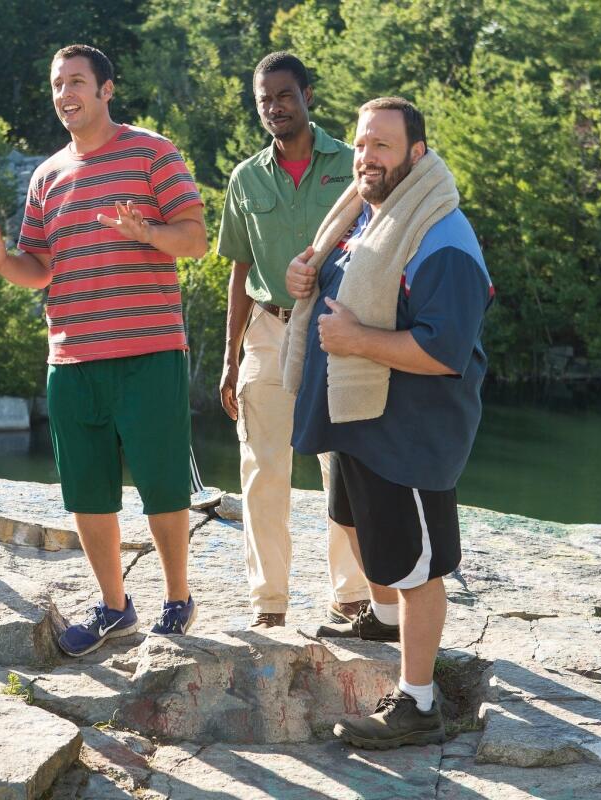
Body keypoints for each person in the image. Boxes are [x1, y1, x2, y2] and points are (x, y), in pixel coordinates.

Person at [0, 45, 207, 656]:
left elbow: (195, 239)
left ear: (106, 89)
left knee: (163, 484)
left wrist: (148, 232)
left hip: (149, 353)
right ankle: (115, 608)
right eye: (58, 84)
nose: (66, 94)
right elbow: (39, 268)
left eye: (77, 82)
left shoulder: (152, 152)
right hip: (73, 359)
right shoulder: (47, 175)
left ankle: (177, 598)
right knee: (87, 491)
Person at [283, 97, 493, 748]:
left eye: (383, 146)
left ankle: (419, 704)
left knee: (417, 568)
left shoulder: (442, 239)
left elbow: (442, 352)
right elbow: (342, 285)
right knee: (357, 526)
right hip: (358, 420)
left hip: (408, 434)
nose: (366, 156)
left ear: (416, 154)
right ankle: (380, 620)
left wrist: (355, 340)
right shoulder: (368, 216)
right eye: (361, 143)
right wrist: (305, 277)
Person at [217, 52, 369, 629]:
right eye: (264, 101)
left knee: (344, 466)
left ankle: (351, 596)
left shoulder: (351, 167)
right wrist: (231, 360)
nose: (274, 108)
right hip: (267, 328)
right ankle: (269, 604)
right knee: (261, 468)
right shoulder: (246, 178)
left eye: (284, 96)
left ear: (308, 96)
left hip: (336, 331)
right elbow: (238, 269)